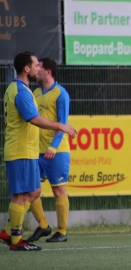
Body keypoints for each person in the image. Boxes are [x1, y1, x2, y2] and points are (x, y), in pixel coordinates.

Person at [0, 51, 77, 251]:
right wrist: (61, 126)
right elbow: (33, 118)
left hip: (31, 151)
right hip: (22, 150)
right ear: (27, 69)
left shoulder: (18, 88)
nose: (38, 69)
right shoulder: (24, 92)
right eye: (35, 65)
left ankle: (10, 231)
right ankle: (15, 239)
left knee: (34, 191)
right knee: (20, 195)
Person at [25, 58, 73, 243]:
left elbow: (63, 123)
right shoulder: (35, 92)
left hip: (57, 151)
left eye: (40, 68)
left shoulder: (61, 93)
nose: (37, 71)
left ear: (49, 71)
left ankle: (61, 232)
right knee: (31, 189)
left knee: (58, 191)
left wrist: (53, 146)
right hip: (35, 151)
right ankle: (43, 225)